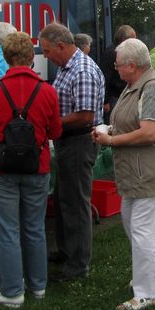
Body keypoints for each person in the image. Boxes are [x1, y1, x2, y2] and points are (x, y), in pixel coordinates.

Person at [92, 38, 155, 310]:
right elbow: (130, 121)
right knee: (131, 220)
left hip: (153, 171)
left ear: (132, 65)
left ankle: (145, 294)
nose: (115, 68)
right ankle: (149, 271)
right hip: (139, 171)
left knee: (144, 232)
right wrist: (108, 128)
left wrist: (111, 141)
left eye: (118, 64)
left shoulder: (153, 88)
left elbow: (149, 133)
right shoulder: (134, 86)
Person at [0, 32, 62, 307]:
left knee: (7, 229)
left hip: (1, 170)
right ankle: (38, 286)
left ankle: (12, 291)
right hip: (37, 167)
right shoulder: (47, 90)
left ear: (7, 57)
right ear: (29, 57)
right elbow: (55, 131)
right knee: (34, 227)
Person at [39, 22, 105, 282]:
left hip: (79, 142)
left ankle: (78, 264)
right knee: (64, 198)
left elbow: (86, 117)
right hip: (68, 141)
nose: (45, 56)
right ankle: (67, 250)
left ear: (61, 46)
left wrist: (52, 124)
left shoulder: (82, 70)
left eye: (46, 51)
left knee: (77, 203)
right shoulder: (67, 67)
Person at [100, 25, 136, 123]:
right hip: (113, 97)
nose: (135, 42)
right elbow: (104, 78)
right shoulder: (112, 53)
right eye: (133, 40)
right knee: (113, 123)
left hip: (120, 95)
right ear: (124, 39)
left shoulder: (121, 50)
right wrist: (105, 101)